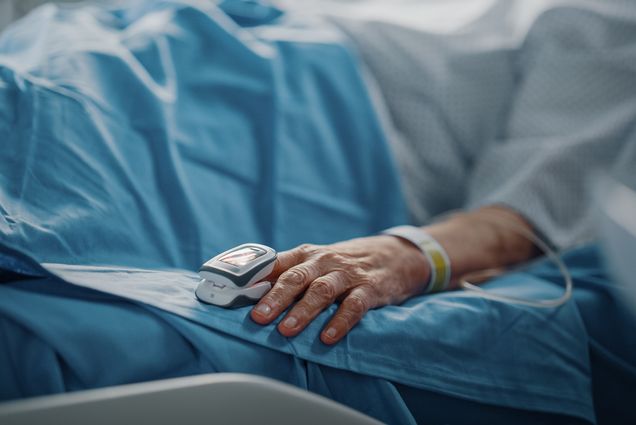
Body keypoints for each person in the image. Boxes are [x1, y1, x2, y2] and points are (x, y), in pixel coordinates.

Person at [249, 0, 636, 345]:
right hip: (264, 37)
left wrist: (406, 255)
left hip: (320, 110)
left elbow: (518, 223)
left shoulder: (612, 21)